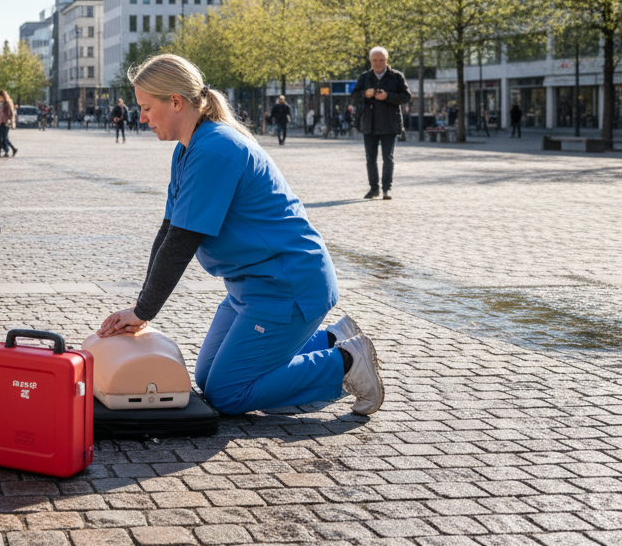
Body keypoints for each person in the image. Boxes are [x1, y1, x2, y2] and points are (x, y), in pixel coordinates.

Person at [96, 54, 384, 418]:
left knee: (227, 392)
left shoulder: (215, 149)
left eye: (146, 108)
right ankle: (330, 339)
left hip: (287, 286)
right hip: (250, 287)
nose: (141, 118)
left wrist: (142, 311)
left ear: (175, 101)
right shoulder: (188, 149)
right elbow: (167, 232)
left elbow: (182, 243)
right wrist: (142, 307)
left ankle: (345, 363)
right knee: (206, 375)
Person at [352, 47, 410, 201]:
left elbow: (406, 97)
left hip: (389, 123)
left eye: (381, 60)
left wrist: (388, 96)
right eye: (375, 60)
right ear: (371, 61)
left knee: (388, 157)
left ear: (387, 60)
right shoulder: (365, 77)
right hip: (369, 123)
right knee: (370, 158)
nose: (378, 63)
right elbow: (354, 96)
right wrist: (365, 94)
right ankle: (374, 188)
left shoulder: (397, 76)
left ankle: (386, 189)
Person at [0, 90, 17, 157]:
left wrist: (9, 121)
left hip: (5, 123)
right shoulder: (1, 103)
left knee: (4, 138)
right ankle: (0, 151)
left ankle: (6, 151)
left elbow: (10, 113)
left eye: (0, 96)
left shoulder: (7, 103)